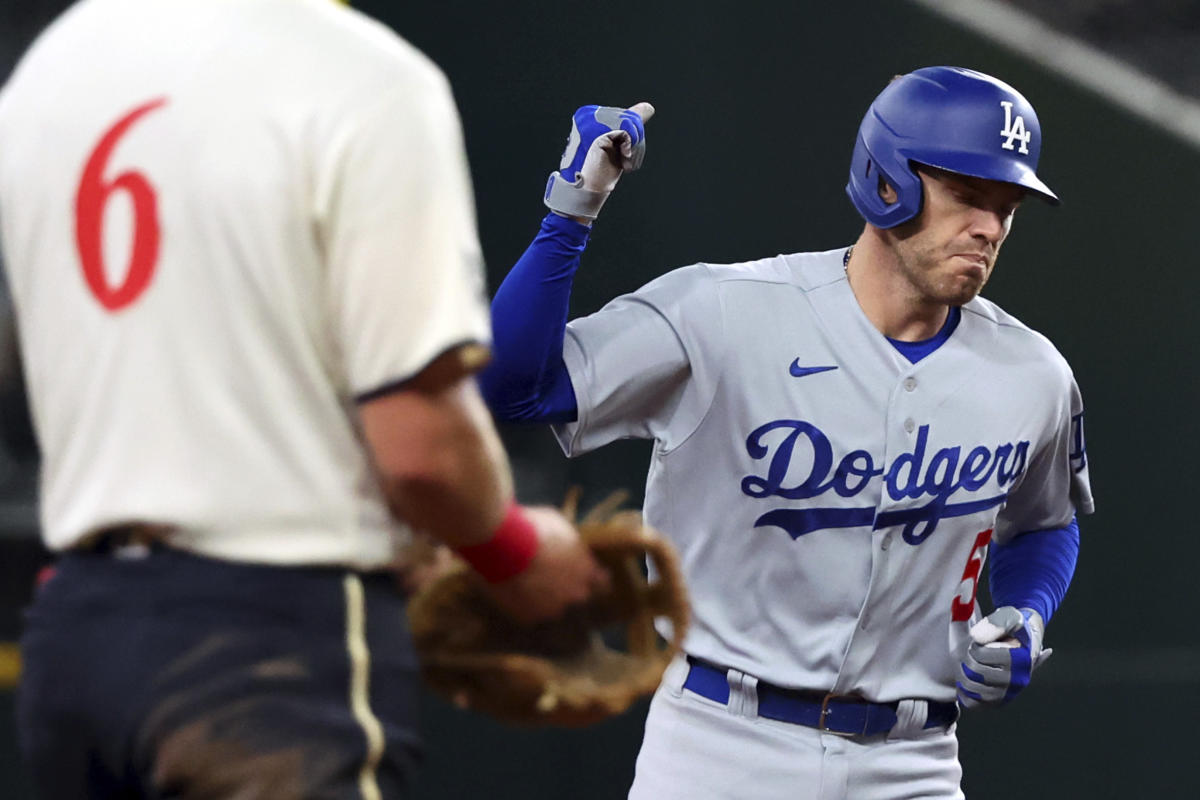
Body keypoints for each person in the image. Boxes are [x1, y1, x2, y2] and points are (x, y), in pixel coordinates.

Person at [0, 0, 607, 797]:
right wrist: (514, 552)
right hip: (267, 645)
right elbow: (420, 451)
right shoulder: (363, 79)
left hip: (75, 636)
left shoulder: (50, 70)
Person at [480, 67, 1093, 799]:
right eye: (967, 196)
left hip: (913, 761)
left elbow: (1045, 523)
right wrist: (572, 210)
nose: (989, 227)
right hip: (719, 745)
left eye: (1006, 206)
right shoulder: (723, 314)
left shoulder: (1032, 372)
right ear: (886, 182)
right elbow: (514, 389)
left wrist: (1026, 612)